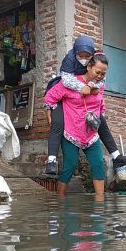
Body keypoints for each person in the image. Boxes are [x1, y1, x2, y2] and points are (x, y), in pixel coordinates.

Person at [44, 35, 126, 176]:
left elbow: (100, 86)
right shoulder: (69, 59)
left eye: (88, 55)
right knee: (57, 123)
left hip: (83, 94)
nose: (84, 58)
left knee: (102, 122)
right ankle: (51, 161)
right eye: (81, 55)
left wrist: (92, 86)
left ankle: (117, 157)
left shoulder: (97, 64)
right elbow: (65, 82)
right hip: (59, 97)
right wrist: (84, 88)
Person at [45, 53, 111, 196]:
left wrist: (101, 114)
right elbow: (50, 97)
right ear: (88, 67)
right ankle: (60, 198)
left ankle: (100, 203)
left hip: (91, 134)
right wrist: (50, 113)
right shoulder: (70, 83)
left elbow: (101, 103)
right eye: (97, 72)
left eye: (103, 73)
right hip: (72, 133)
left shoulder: (100, 86)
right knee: (70, 166)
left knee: (98, 164)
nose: (100, 76)